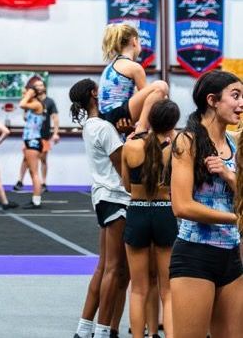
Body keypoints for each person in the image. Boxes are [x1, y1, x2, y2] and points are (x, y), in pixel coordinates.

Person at [170, 70, 243, 338]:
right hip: (195, 255)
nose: (242, 103)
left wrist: (227, 174)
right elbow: (182, 207)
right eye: (235, 96)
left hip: (232, 256)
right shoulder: (187, 142)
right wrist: (235, 219)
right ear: (212, 100)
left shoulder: (234, 144)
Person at [70, 78, 130, 338]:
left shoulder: (91, 126)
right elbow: (122, 167)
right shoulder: (104, 129)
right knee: (114, 268)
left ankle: (85, 329)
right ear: (94, 93)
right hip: (117, 197)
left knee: (106, 266)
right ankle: (104, 330)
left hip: (103, 196)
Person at [121, 99, 180, 338]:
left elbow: (126, 185)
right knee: (168, 290)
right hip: (165, 210)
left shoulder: (131, 146)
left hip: (138, 210)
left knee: (138, 289)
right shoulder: (176, 147)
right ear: (172, 124)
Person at [98, 24, 168, 136]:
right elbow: (153, 97)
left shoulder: (111, 66)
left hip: (106, 115)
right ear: (134, 41)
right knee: (161, 86)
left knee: (157, 93)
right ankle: (141, 129)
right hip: (116, 114)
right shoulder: (134, 67)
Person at [15, 77, 59, 192]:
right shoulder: (32, 103)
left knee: (41, 161)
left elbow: (55, 118)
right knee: (26, 160)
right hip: (30, 136)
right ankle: (20, 181)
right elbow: (25, 117)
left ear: (44, 87)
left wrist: (55, 133)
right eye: (36, 85)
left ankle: (42, 184)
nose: (38, 87)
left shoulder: (46, 102)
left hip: (41, 135)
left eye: (40, 85)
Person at [19, 79, 47, 208]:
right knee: (32, 171)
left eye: (27, 92)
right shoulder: (34, 105)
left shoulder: (36, 104)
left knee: (35, 172)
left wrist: (29, 94)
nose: (24, 94)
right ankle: (35, 198)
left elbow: (21, 104)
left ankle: (37, 201)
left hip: (33, 140)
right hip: (30, 140)